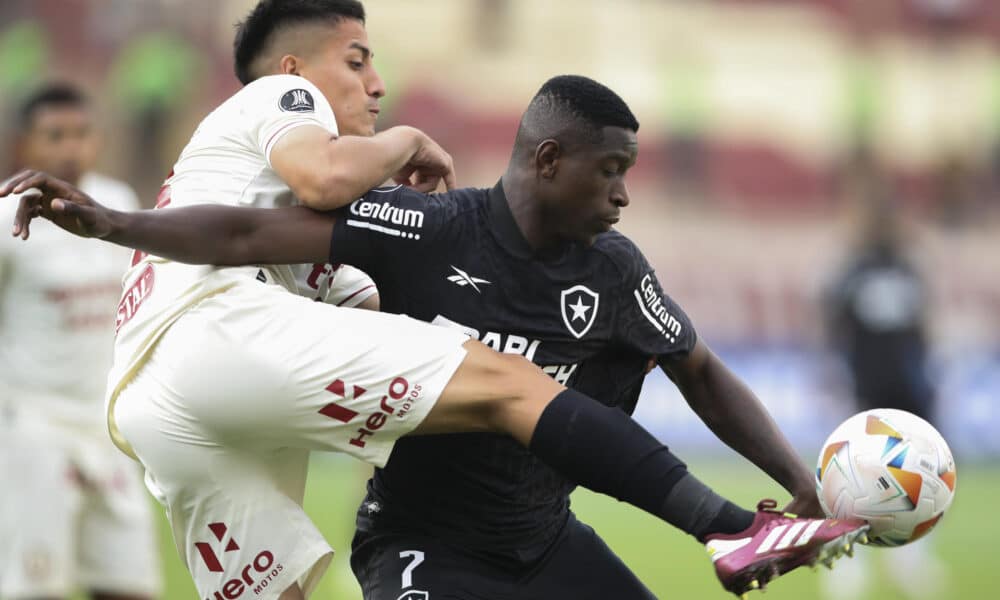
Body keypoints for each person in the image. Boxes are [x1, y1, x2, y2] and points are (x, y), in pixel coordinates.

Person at [3, 72, 868, 600]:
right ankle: (720, 528)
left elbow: (703, 373)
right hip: (424, 547)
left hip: (545, 540)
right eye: (609, 172)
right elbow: (243, 235)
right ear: (546, 160)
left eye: (628, 176)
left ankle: (733, 531)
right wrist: (115, 223)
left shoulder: (615, 271)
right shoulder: (428, 228)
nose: (622, 196)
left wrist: (802, 486)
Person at [0, 84, 161, 600]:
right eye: (55, 135)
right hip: (32, 428)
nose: (71, 148)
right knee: (36, 589)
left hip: (105, 430)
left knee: (129, 586)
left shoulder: (116, 204)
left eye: (82, 133)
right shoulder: (4, 220)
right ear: (23, 145)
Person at [821, 202, 948, 600]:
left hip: (904, 386)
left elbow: (921, 327)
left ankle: (907, 556)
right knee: (859, 478)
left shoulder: (899, 270)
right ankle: (849, 561)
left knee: (916, 475)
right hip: (871, 387)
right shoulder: (857, 273)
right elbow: (834, 324)